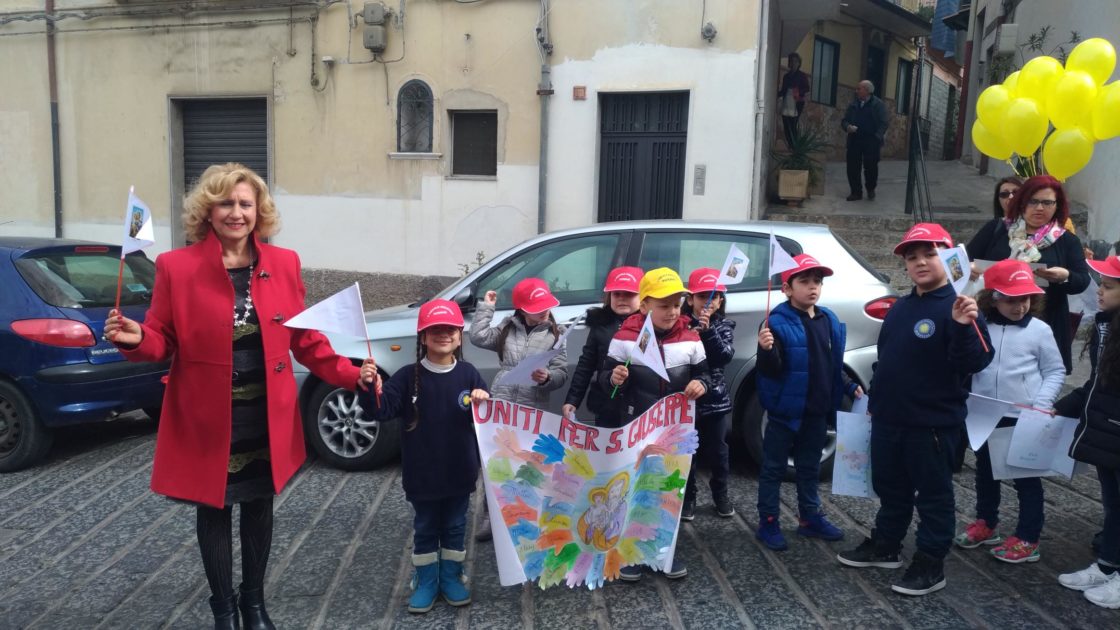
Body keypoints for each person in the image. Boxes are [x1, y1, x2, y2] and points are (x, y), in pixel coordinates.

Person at [104, 163, 363, 630]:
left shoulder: (284, 264)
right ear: (208, 211)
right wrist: (135, 336)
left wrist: (350, 375)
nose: (236, 213)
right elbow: (162, 339)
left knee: (259, 505)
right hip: (208, 416)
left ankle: (254, 603)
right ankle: (223, 609)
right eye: (226, 203)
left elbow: (307, 340)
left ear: (258, 211)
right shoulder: (175, 267)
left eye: (245, 203)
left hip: (266, 415)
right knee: (215, 509)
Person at [837, 223, 992, 596]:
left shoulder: (960, 306)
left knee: (934, 496)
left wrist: (962, 325)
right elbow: (887, 357)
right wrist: (875, 398)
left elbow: (975, 362)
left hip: (932, 425)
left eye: (929, 254)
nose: (920, 262)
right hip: (889, 419)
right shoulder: (903, 306)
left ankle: (930, 561)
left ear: (948, 258)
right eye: (912, 257)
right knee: (890, 489)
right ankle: (886, 544)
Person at [359, 299, 490, 614]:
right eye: (434, 329)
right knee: (427, 527)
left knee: (457, 526)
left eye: (449, 329)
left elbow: (488, 421)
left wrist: (485, 401)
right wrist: (368, 386)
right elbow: (380, 409)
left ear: (459, 335)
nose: (442, 334)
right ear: (422, 337)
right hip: (423, 474)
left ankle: (452, 576)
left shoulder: (470, 374)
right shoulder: (406, 377)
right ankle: (426, 579)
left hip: (460, 472)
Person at [601, 267, 711, 581]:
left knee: (668, 489)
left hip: (676, 430)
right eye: (664, 305)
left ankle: (663, 551)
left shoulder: (690, 336)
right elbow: (606, 386)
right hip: (638, 425)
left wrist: (701, 385)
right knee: (640, 488)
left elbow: (706, 375)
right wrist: (614, 379)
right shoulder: (625, 337)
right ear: (645, 305)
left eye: (677, 304)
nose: (673, 311)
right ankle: (633, 553)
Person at [954, 260, 1065, 563]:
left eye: (1025, 298)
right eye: (1011, 299)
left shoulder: (1040, 330)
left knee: (1026, 478)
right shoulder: (980, 327)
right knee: (986, 472)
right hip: (983, 413)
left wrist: (1041, 405)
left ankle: (1029, 537)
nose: (1020, 306)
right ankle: (987, 523)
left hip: (1023, 415)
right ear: (993, 298)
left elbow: (1055, 370)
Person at [755, 254, 861, 550]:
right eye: (804, 281)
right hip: (785, 412)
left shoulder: (827, 319)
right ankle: (769, 522)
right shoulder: (776, 322)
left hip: (817, 411)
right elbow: (770, 370)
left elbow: (831, 362)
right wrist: (765, 350)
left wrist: (849, 385)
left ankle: (809, 518)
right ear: (787, 288)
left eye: (817, 281)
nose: (812, 287)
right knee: (774, 468)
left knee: (809, 467)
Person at [469, 277, 569, 542]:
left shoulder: (555, 334)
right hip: (501, 404)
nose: (543, 311)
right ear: (522, 309)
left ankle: (526, 515)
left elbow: (561, 372)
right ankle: (493, 517)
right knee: (497, 462)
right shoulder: (506, 328)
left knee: (528, 464)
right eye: (537, 307)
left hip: (532, 406)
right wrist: (486, 308)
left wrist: (547, 378)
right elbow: (478, 337)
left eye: (546, 306)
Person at [966, 175, 1091, 374]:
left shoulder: (1066, 241)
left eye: (1047, 202)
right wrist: (970, 268)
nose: (1039, 208)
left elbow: (1082, 281)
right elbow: (967, 259)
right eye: (1033, 201)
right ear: (1022, 202)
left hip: (1044, 320)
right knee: (987, 373)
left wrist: (1065, 275)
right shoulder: (998, 229)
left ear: (1057, 206)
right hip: (993, 316)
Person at [1055, 254, 1120, 609]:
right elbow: (1097, 382)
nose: (1099, 292)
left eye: (1108, 287)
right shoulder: (1104, 324)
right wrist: (1061, 407)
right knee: (1112, 504)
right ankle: (1108, 564)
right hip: (1107, 430)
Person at [681, 268, 737, 520]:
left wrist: (708, 332)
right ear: (690, 299)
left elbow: (723, 356)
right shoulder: (679, 324)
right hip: (686, 399)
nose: (708, 302)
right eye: (703, 296)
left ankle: (720, 494)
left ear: (720, 301)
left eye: (714, 297)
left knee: (718, 451)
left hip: (715, 400)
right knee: (687, 451)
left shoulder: (723, 326)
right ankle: (687, 496)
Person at [562, 266, 643, 428]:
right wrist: (573, 400)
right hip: (608, 403)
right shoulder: (601, 325)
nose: (622, 299)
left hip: (641, 405)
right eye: (616, 294)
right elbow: (586, 365)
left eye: (629, 294)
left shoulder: (649, 324)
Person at [840, 80, 889, 201]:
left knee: (871, 166)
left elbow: (884, 123)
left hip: (871, 140)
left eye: (859, 89)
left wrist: (877, 137)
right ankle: (856, 192)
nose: (856, 91)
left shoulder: (878, 104)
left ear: (867, 91)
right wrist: (847, 127)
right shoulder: (853, 104)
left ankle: (870, 188)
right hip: (855, 139)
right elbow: (844, 120)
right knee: (852, 167)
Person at [779, 52, 811, 149]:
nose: (793, 63)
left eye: (795, 61)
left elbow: (807, 88)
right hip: (786, 103)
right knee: (786, 124)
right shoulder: (786, 76)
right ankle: (790, 145)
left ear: (799, 63)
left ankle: (795, 147)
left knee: (793, 124)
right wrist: (776, 94)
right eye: (791, 61)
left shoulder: (802, 76)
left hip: (797, 103)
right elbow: (783, 90)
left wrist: (797, 91)